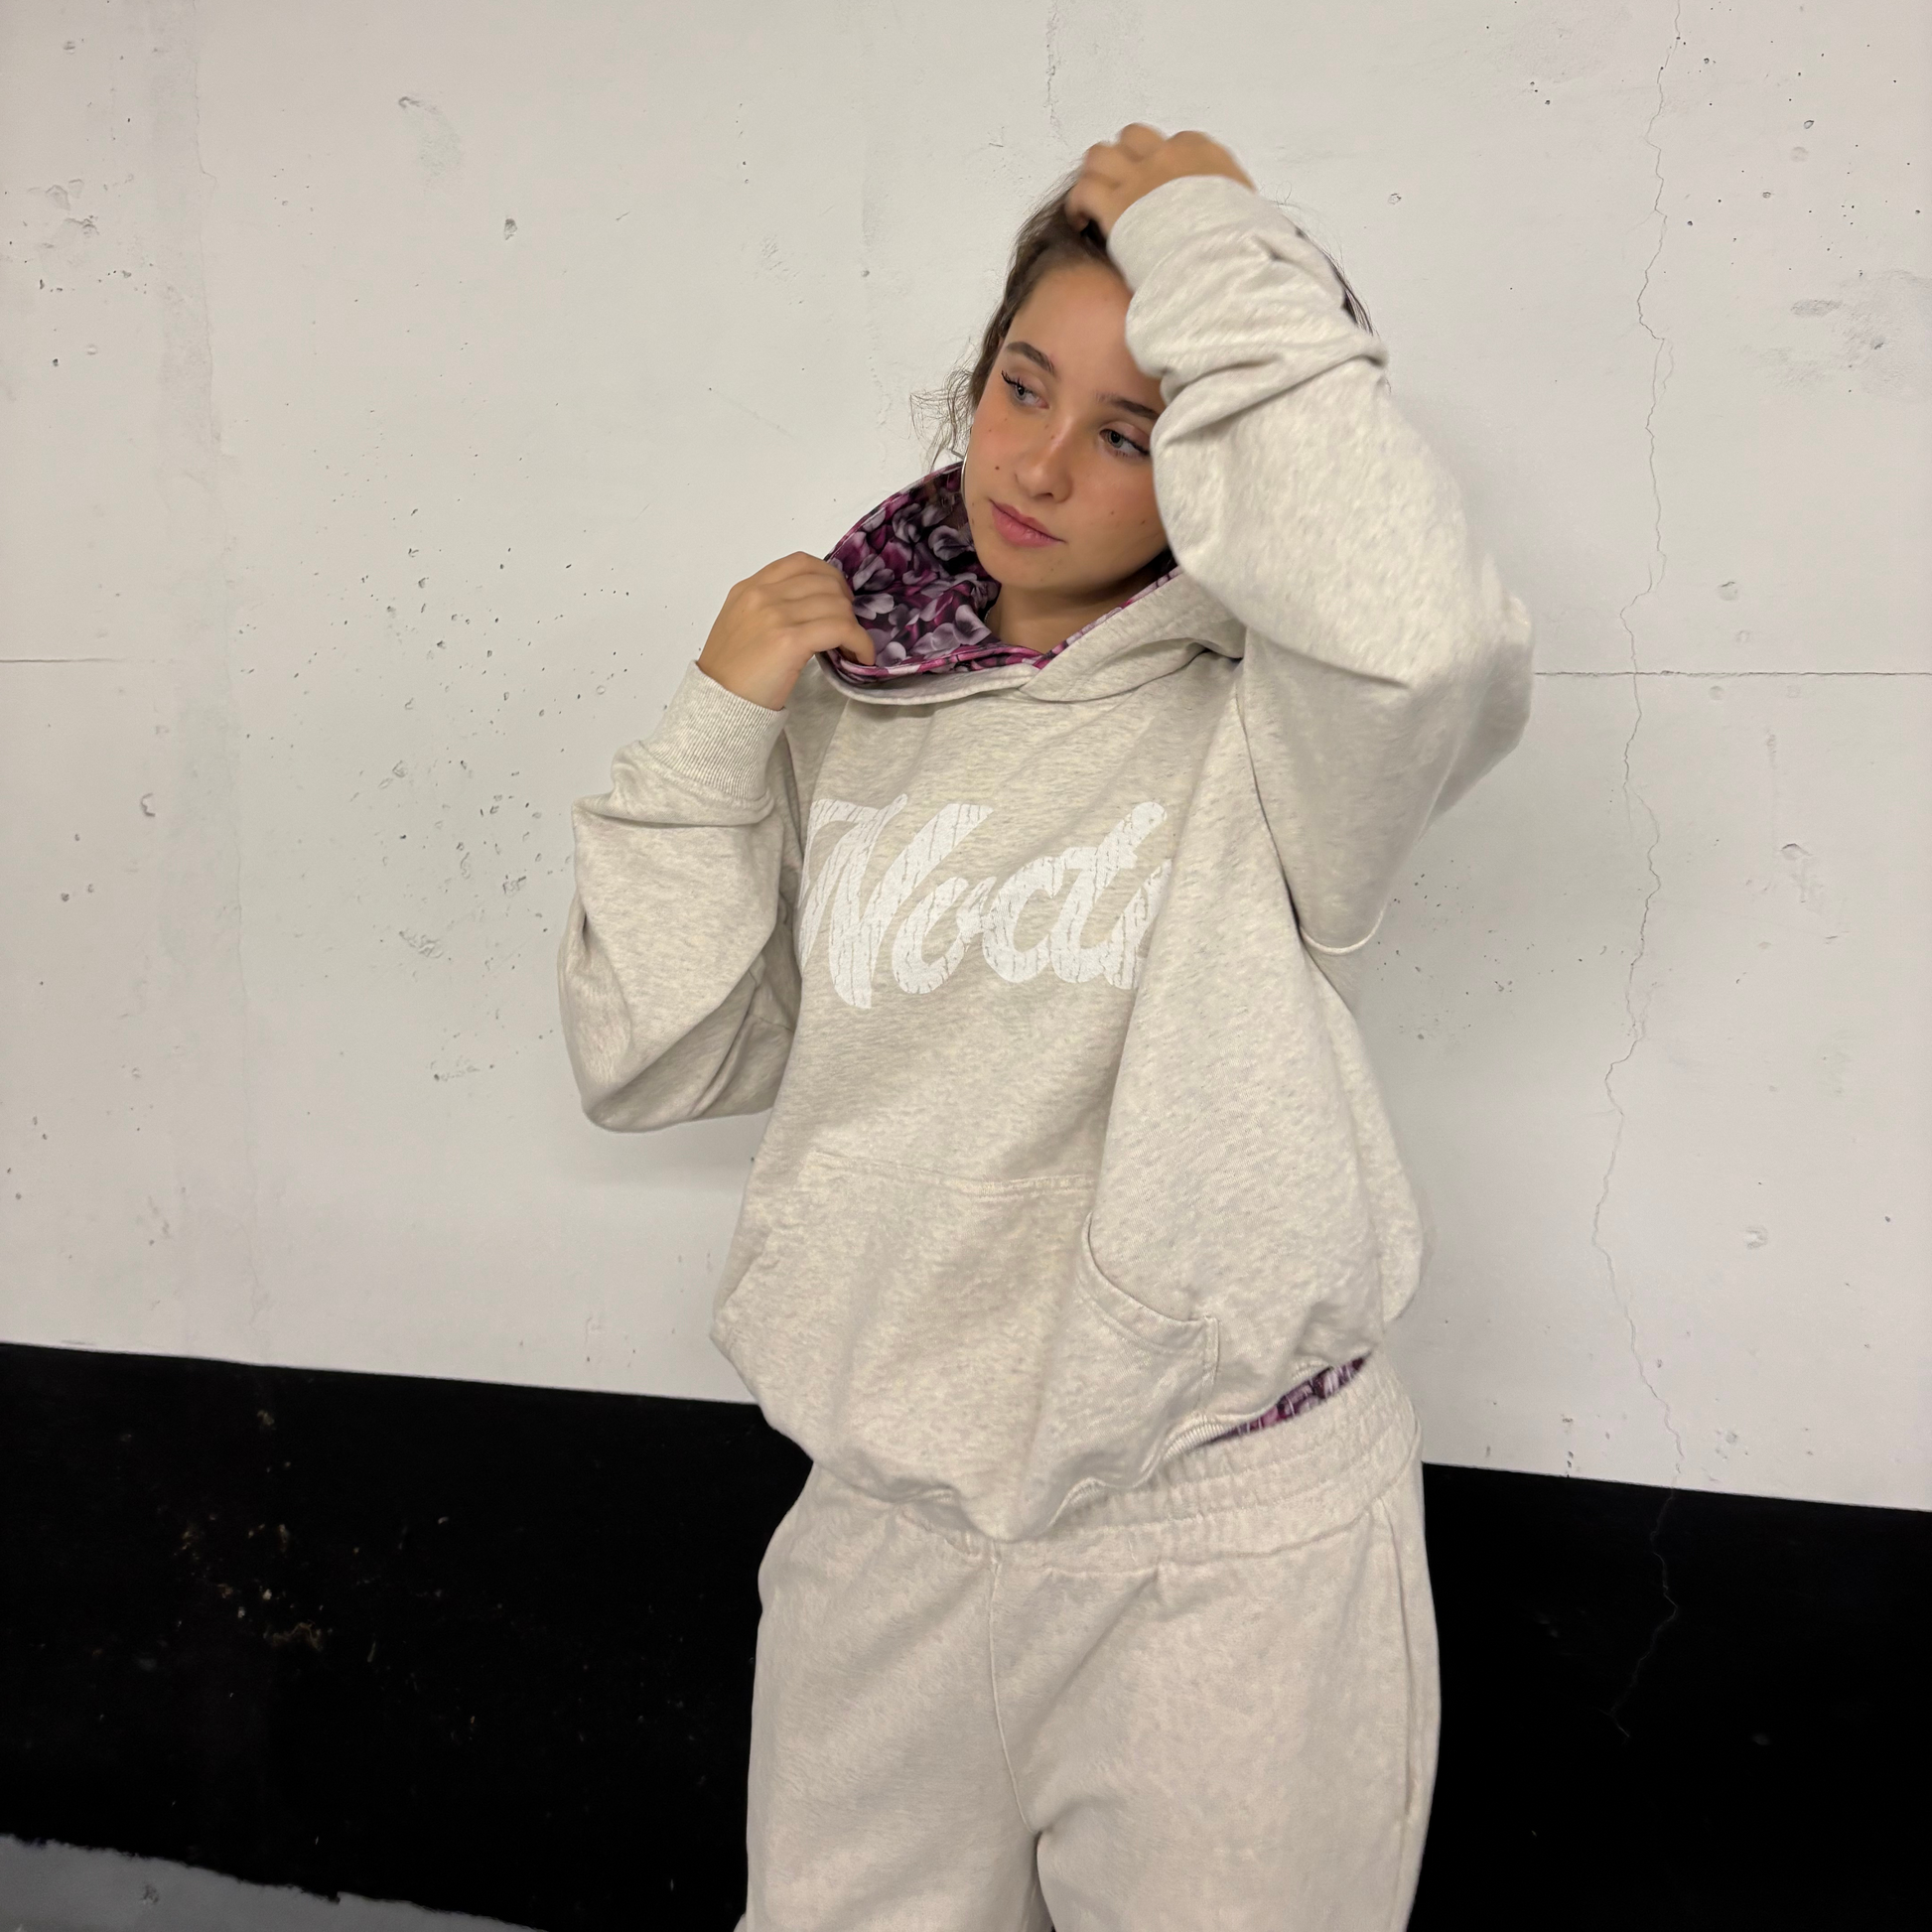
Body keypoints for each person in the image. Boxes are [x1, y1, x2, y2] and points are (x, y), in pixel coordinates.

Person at [557, 123, 1534, 1931]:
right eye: (1022, 385)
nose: (1038, 463)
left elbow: (1425, 638)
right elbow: (653, 1054)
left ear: (1212, 463)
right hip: (887, 1524)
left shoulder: (1282, 727)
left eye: (1130, 433)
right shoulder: (853, 688)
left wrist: (1209, 242)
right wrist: (714, 728)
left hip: (1213, 1537)